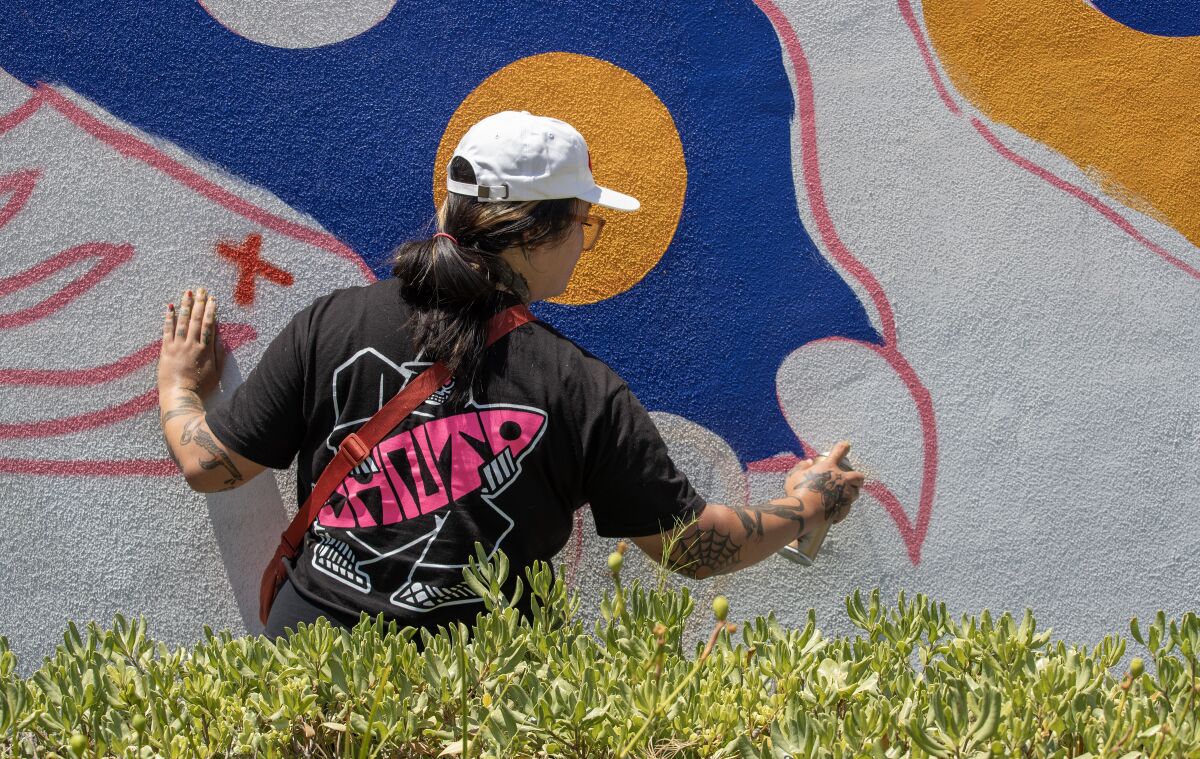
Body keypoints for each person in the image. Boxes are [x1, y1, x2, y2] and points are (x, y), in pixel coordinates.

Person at [156, 110, 865, 639]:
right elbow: (694, 547)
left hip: (310, 685)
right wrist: (810, 502)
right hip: (479, 707)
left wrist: (181, 387)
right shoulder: (578, 387)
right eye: (585, 223)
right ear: (531, 234)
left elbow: (209, 463)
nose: (587, 242)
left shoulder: (330, 324)